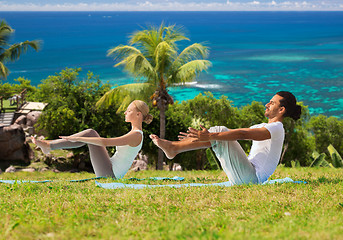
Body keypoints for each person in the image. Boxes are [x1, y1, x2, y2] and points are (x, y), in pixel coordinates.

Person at [150, 91, 301, 185]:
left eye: (272, 103)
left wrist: (210, 135)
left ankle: (174, 148)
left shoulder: (276, 128)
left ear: (281, 110)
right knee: (220, 133)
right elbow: (237, 132)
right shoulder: (264, 126)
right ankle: (175, 147)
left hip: (251, 179)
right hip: (246, 175)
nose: (267, 104)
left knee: (220, 131)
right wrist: (204, 137)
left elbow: (243, 134)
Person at [32, 100, 153, 179]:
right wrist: (80, 139)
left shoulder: (136, 135)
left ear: (138, 115)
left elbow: (106, 142)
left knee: (91, 133)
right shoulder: (134, 133)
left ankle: (49, 146)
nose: (125, 112)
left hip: (110, 175)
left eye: (129, 110)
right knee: (91, 133)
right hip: (110, 167)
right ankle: (49, 146)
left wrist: (79, 138)